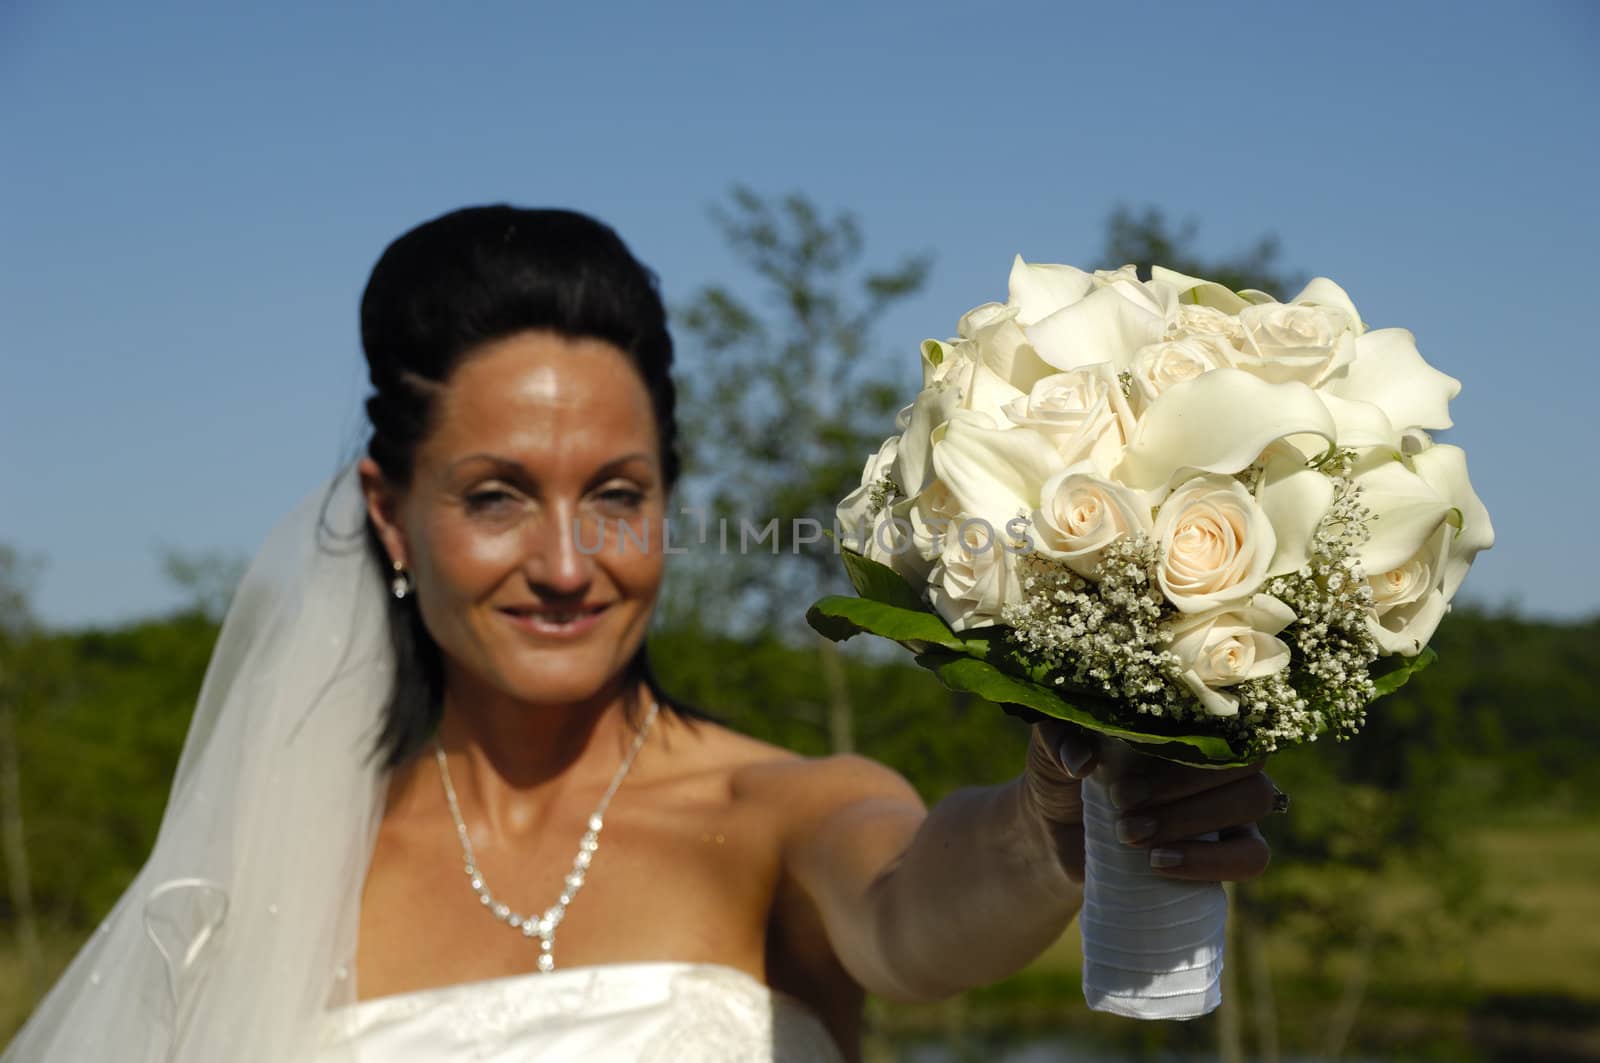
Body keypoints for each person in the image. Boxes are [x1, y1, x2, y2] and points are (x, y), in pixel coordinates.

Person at [3, 206, 1278, 1062]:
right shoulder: (269, 876)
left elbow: (914, 913)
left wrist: (1045, 818)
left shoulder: (777, 811)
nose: (567, 564)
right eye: (496, 495)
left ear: (670, 496)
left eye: (616, 494)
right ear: (392, 515)